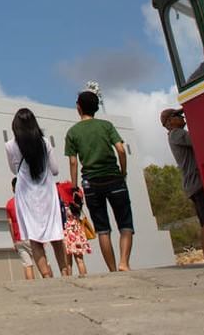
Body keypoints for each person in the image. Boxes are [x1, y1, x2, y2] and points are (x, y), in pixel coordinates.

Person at [64, 89, 134, 271]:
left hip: (91, 182)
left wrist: (74, 186)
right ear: (96, 107)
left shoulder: (73, 132)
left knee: (103, 229)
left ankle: (111, 269)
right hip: (114, 177)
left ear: (78, 107)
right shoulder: (106, 125)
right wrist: (123, 172)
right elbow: (120, 149)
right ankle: (124, 262)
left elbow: (73, 161)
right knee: (125, 223)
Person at [6, 107, 68, 278]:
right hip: (47, 193)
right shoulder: (44, 142)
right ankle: (65, 271)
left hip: (26, 195)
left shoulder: (11, 145)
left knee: (35, 237)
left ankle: (46, 275)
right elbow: (55, 170)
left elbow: (13, 170)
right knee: (55, 234)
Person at [161, 107, 204, 262]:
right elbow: (199, 139)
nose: (182, 117)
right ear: (170, 122)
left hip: (193, 185)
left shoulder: (174, 135)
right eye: (178, 115)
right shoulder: (177, 134)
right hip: (197, 184)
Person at [57, 180, 92, 276]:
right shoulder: (75, 207)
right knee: (80, 259)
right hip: (77, 230)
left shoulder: (64, 207)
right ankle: (85, 277)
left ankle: (68, 280)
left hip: (65, 231)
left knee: (67, 262)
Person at [6, 178, 36, 281]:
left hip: (19, 239)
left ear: (13, 188)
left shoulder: (9, 204)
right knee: (43, 260)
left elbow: (10, 224)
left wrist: (14, 241)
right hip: (31, 237)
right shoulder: (28, 201)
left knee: (27, 265)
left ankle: (31, 286)